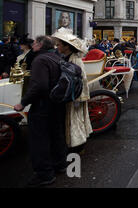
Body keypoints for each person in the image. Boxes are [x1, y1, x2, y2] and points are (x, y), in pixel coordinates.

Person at [13, 36, 65, 187]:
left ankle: (44, 174)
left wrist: (23, 102)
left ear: (40, 45)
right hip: (57, 103)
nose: (33, 44)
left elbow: (40, 86)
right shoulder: (56, 57)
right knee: (56, 134)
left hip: (43, 105)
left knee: (39, 140)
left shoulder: (40, 60)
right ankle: (60, 163)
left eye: (35, 42)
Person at [52, 28, 92, 153]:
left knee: (75, 120)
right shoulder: (67, 57)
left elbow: (83, 80)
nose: (57, 46)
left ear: (67, 47)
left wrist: (78, 98)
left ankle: (77, 145)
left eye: (59, 44)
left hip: (75, 97)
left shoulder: (75, 60)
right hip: (71, 96)